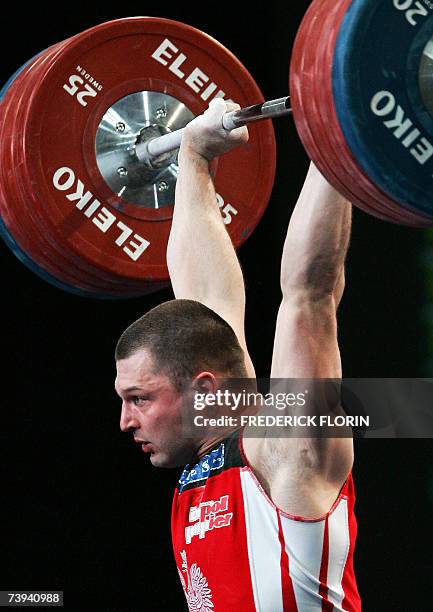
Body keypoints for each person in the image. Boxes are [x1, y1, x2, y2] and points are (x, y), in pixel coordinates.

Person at [115, 98, 361, 610]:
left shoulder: (286, 458)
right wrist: (194, 155)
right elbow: (203, 305)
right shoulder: (203, 464)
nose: (125, 421)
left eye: (139, 398)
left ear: (205, 392)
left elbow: (309, 296)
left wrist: (343, 130)